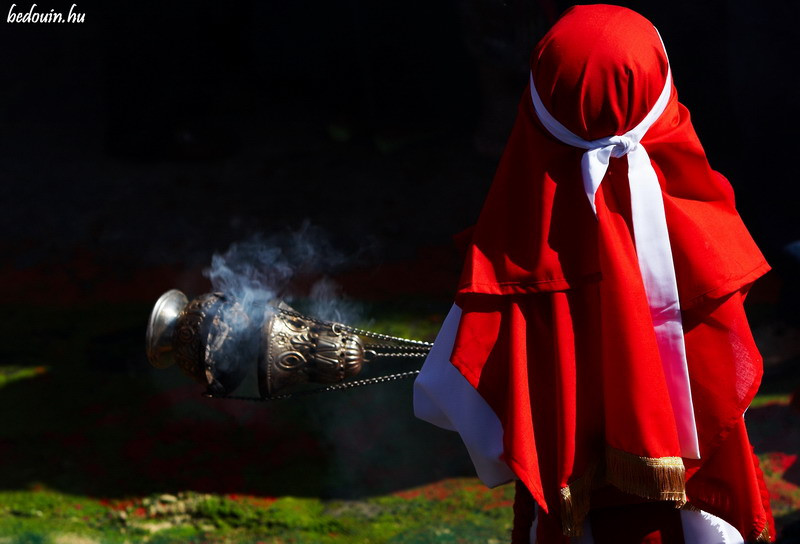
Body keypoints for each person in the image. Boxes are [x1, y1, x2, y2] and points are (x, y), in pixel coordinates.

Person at [414, 5, 774, 543]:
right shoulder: (707, 235)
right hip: (695, 514)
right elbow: (726, 374)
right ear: (664, 99)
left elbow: (457, 403)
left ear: (535, 105)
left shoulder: (512, 259)